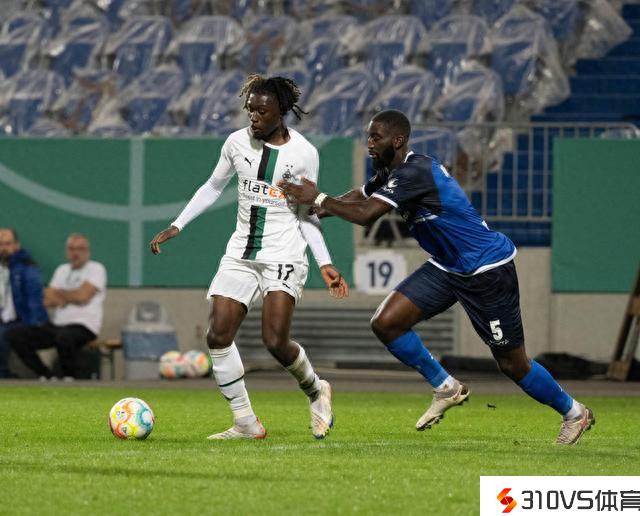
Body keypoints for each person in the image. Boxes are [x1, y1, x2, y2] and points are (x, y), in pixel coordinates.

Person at [279, 109, 594, 445]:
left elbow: (368, 214)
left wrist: (320, 197)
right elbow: (363, 195)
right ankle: (445, 386)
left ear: (398, 140)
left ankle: (574, 412)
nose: (369, 143)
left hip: (486, 269)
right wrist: (321, 208)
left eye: (376, 137)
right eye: (368, 136)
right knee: (387, 323)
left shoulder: (415, 171)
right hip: (448, 265)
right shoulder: (389, 171)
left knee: (513, 364)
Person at [150, 74, 349, 441]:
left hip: (284, 254)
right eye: (250, 110)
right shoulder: (235, 143)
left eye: (261, 111)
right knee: (218, 334)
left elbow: (306, 213)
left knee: (275, 341)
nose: (253, 118)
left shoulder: (304, 153)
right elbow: (213, 186)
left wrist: (325, 262)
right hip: (240, 253)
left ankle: (316, 389)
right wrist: (178, 225)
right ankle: (245, 422)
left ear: (281, 111)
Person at [8, 233, 107, 380]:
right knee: (15, 335)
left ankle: (69, 377)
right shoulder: (62, 270)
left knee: (65, 337)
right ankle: (46, 375)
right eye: (72, 249)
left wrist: (60, 295)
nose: (76, 253)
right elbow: (47, 299)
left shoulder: (96, 269)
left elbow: (82, 296)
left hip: (84, 326)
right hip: (57, 325)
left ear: (87, 251)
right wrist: (71, 295)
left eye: (80, 249)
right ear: (67, 251)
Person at [0, 228, 48, 378]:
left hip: (21, 319)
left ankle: (3, 375)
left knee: (3, 334)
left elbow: (34, 297)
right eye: (0, 244)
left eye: (7, 244)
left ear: (16, 245)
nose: (3, 248)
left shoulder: (27, 267)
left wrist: (35, 322)